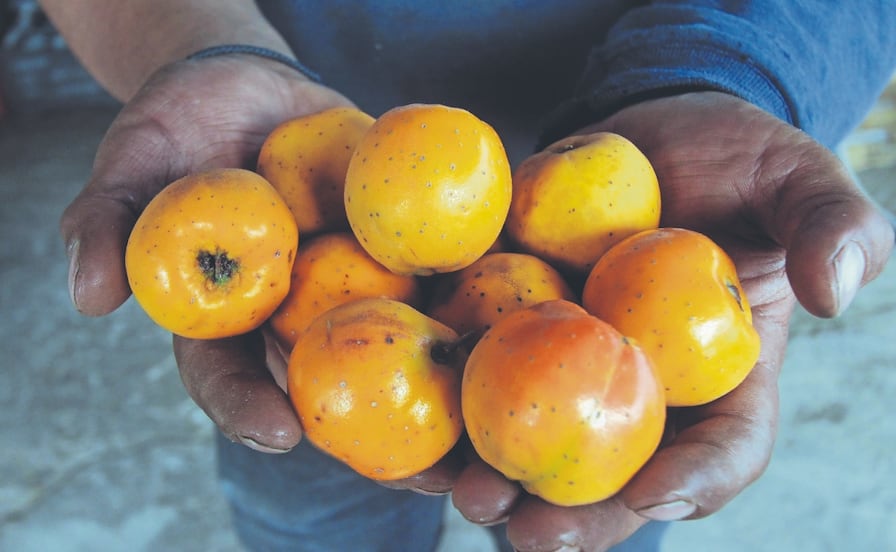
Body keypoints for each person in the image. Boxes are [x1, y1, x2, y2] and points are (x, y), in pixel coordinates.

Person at [39, 1, 896, 551]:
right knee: (309, 503)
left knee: (596, 517)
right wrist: (194, 40)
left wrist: (732, 66)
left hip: (642, 208)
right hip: (294, 319)